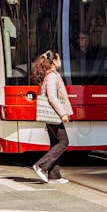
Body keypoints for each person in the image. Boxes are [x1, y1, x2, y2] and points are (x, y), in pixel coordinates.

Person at [31, 50, 73, 184]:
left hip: (50, 115)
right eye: (59, 59)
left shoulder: (49, 75)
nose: (60, 61)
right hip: (54, 114)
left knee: (55, 143)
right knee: (63, 142)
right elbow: (52, 98)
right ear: (54, 61)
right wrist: (63, 113)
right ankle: (41, 166)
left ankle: (54, 176)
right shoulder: (52, 76)